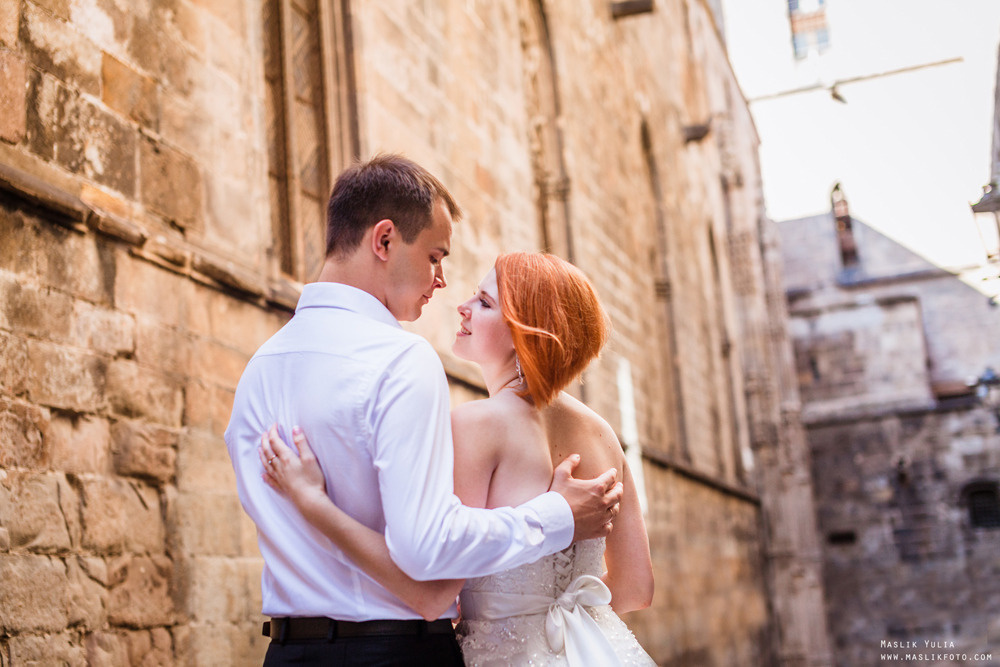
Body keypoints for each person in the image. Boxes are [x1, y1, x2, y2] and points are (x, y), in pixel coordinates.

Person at [225, 154, 624, 666]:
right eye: (435, 257)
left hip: (286, 654)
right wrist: (557, 515)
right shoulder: (401, 359)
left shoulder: (259, 368)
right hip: (394, 652)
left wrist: (312, 503)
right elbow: (428, 559)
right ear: (384, 240)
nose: (441, 281)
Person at [260, 251, 655, 666]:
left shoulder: (475, 425)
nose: (462, 307)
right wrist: (572, 624)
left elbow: (435, 584)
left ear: (525, 332)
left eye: (484, 303)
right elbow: (636, 588)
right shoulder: (603, 435)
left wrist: (313, 502)